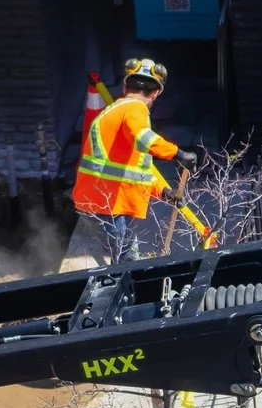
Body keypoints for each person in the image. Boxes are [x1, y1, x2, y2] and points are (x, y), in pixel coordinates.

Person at [71, 57, 180, 260]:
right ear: (156, 93)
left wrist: (164, 191)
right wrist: (177, 153)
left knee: (126, 256)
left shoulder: (115, 110)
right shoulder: (135, 109)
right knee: (125, 262)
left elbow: (133, 168)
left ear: (124, 86)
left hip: (101, 201)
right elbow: (143, 139)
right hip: (110, 204)